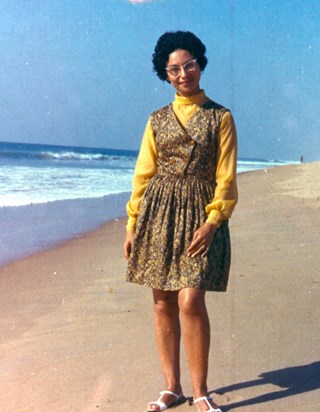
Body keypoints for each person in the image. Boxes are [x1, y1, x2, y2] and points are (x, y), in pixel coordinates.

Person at [123, 31, 238, 412]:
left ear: (200, 65)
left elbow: (226, 177)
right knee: (161, 302)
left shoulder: (220, 117)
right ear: (166, 75)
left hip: (200, 214)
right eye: (174, 69)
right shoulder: (156, 119)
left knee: (190, 299)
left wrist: (214, 221)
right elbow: (144, 172)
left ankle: (201, 390)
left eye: (189, 65)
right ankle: (172, 387)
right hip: (158, 212)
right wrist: (131, 223)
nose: (183, 74)